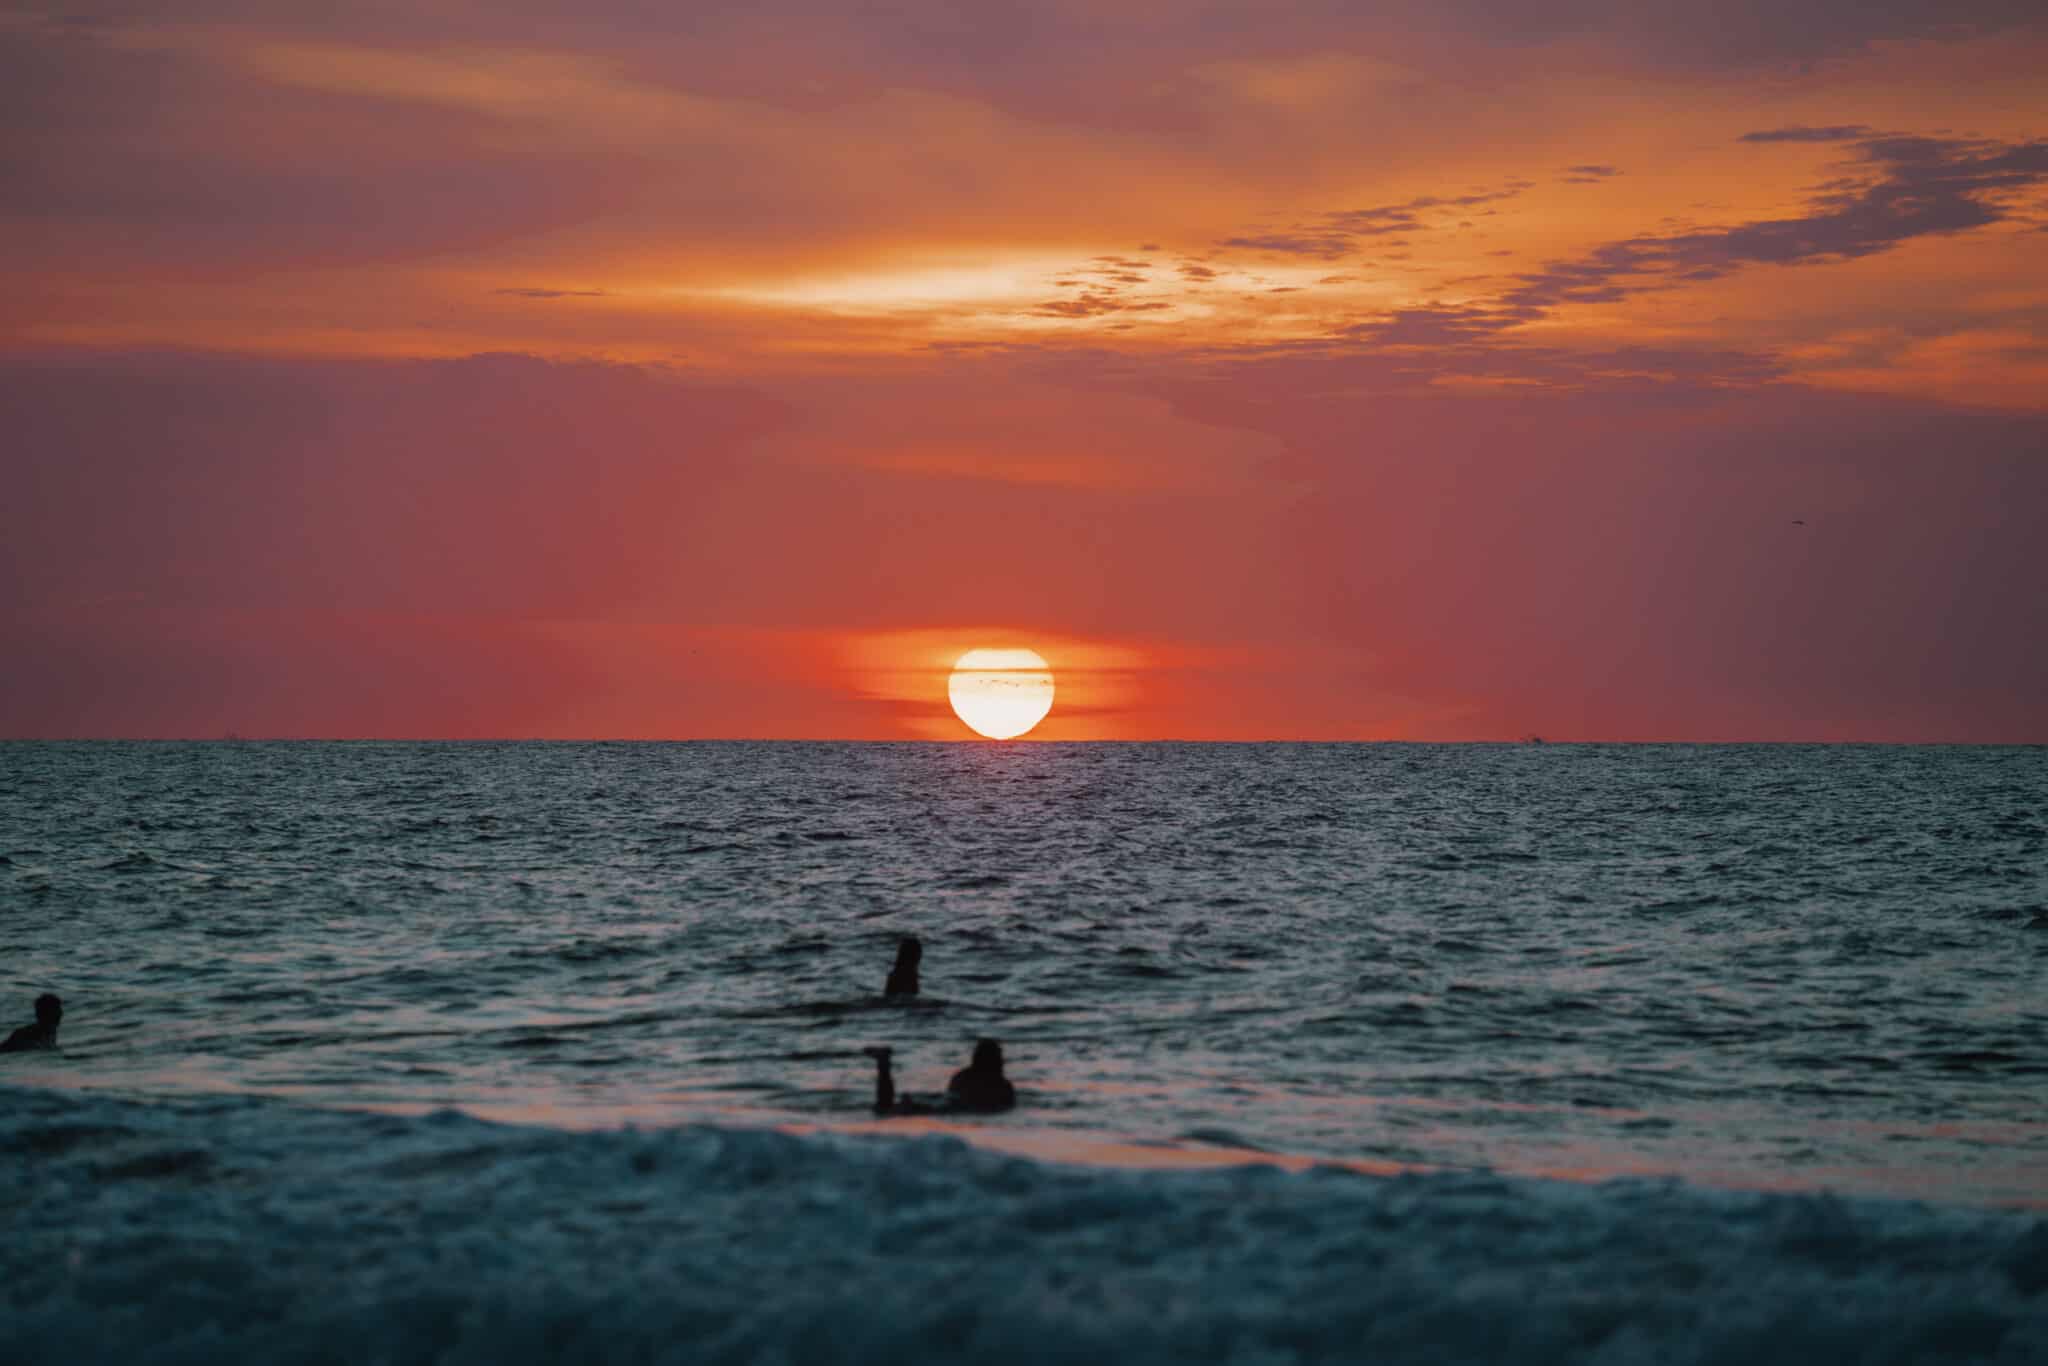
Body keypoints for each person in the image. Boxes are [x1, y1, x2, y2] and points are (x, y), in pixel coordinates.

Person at [864, 1039, 1015, 1115]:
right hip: (950, 1108)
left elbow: (951, 1094)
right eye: (1000, 1058)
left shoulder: (962, 1076)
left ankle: (883, 1065)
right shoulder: (1001, 1084)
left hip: (942, 1104)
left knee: (884, 1109)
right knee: (884, 1110)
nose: (1003, 1062)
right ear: (994, 1061)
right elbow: (1006, 1103)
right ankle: (883, 1064)